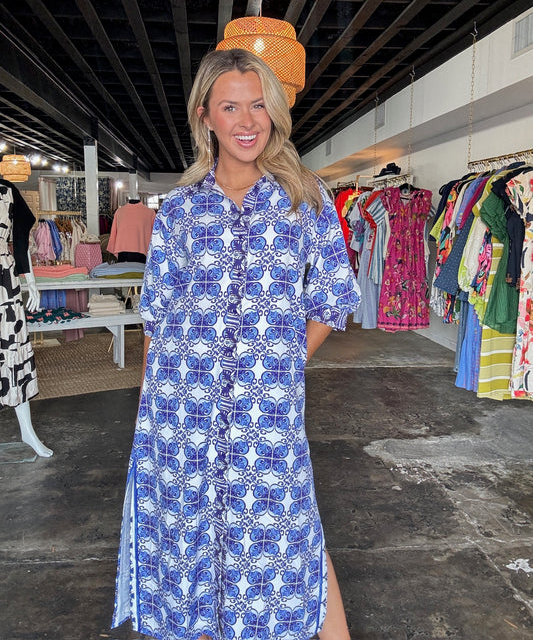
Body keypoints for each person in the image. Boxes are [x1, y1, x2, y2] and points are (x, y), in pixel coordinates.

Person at [112, 48, 360, 640]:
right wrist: (151, 417)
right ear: (206, 116)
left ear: (274, 113)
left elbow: (334, 293)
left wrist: (283, 363)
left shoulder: (304, 196)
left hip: (266, 415)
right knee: (190, 548)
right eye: (230, 106)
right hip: (180, 413)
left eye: (259, 105)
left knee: (292, 537)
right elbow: (158, 317)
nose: (247, 121)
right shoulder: (178, 209)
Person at [0, 178, 52, 457]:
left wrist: (30, 280)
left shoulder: (7, 191)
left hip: (3, 281)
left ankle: (27, 431)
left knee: (13, 349)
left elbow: (19, 238)